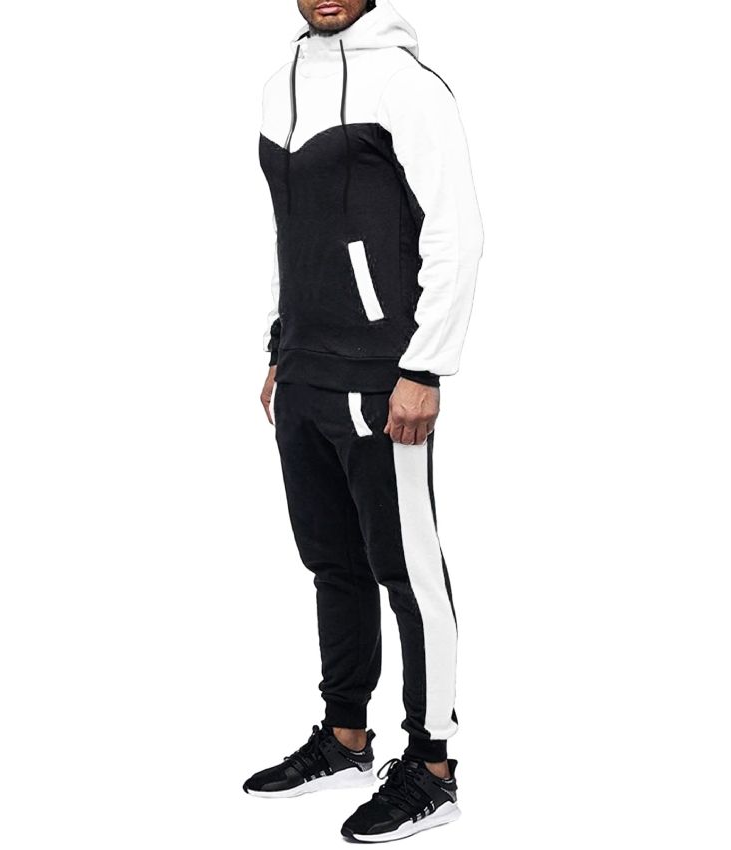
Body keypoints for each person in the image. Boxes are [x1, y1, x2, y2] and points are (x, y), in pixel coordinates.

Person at [243, 0, 484, 841]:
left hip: (384, 377)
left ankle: (433, 767)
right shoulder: (279, 84)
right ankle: (345, 736)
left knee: (408, 573)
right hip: (305, 371)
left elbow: (458, 233)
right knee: (332, 564)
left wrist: (424, 365)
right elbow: (294, 233)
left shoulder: (407, 84)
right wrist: (280, 342)